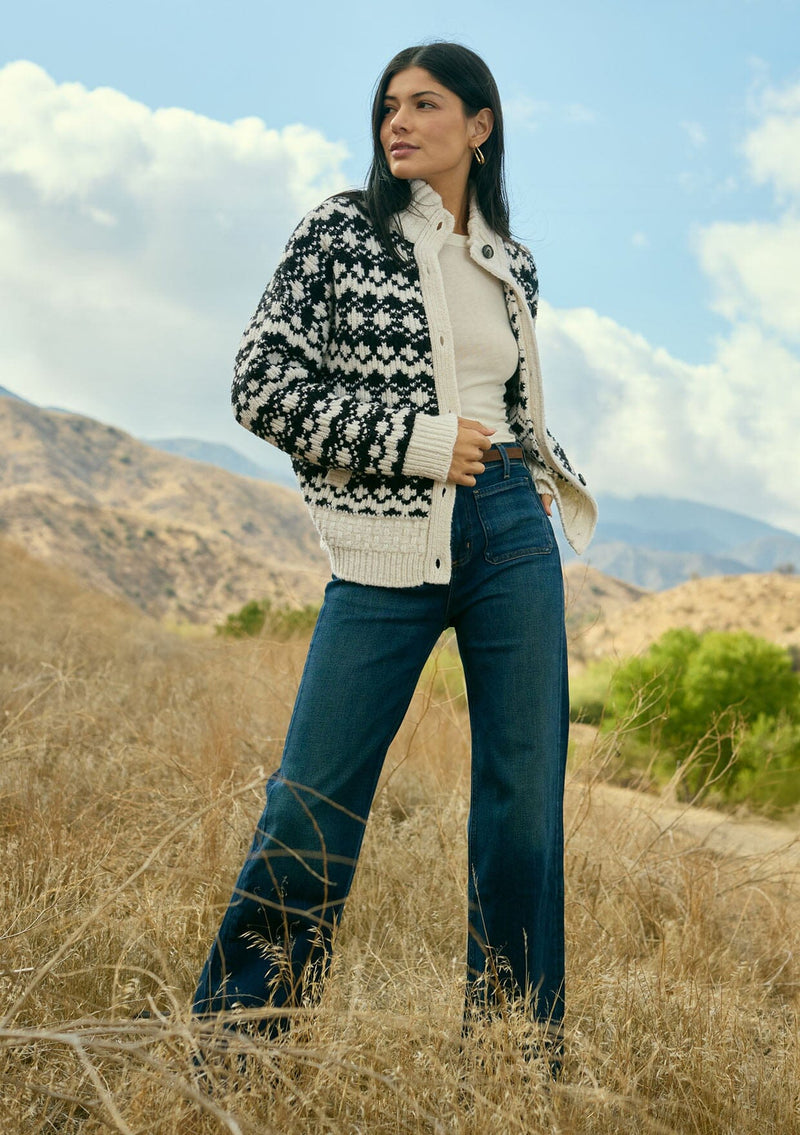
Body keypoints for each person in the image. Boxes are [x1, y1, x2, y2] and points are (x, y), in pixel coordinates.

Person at [193, 40, 597, 1066]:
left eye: (424, 105)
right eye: (386, 107)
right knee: (313, 797)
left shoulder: (513, 261)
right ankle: (242, 1045)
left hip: (510, 525)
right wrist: (415, 441)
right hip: (385, 541)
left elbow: (506, 402)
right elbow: (261, 387)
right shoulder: (339, 230)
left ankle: (513, 1055)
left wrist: (541, 472)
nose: (397, 124)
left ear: (479, 125)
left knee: (523, 804)